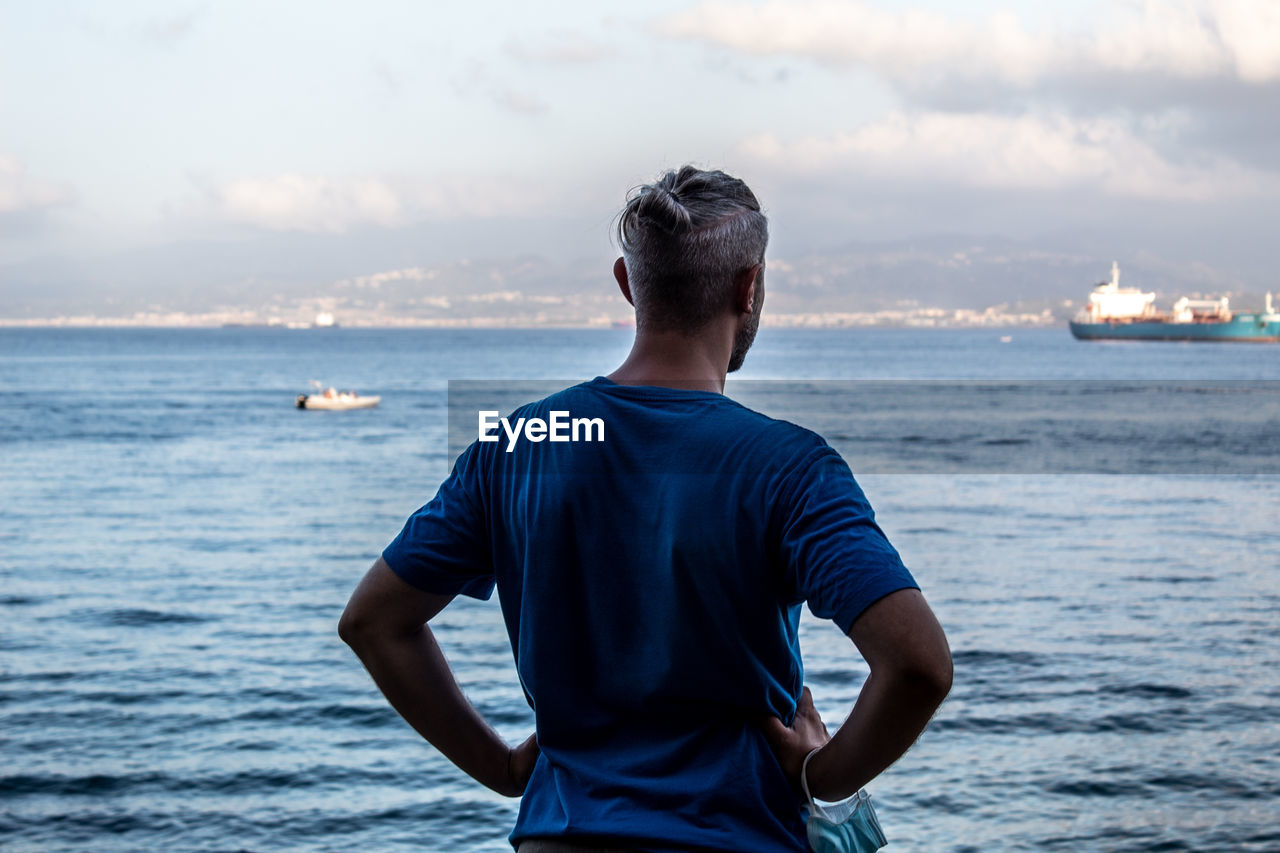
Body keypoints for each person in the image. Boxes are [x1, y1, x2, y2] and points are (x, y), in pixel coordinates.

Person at [339, 166, 952, 852]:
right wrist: (821, 770)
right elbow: (919, 664)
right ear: (749, 288)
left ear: (629, 284)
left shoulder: (517, 445)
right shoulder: (789, 467)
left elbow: (373, 621)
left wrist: (504, 768)